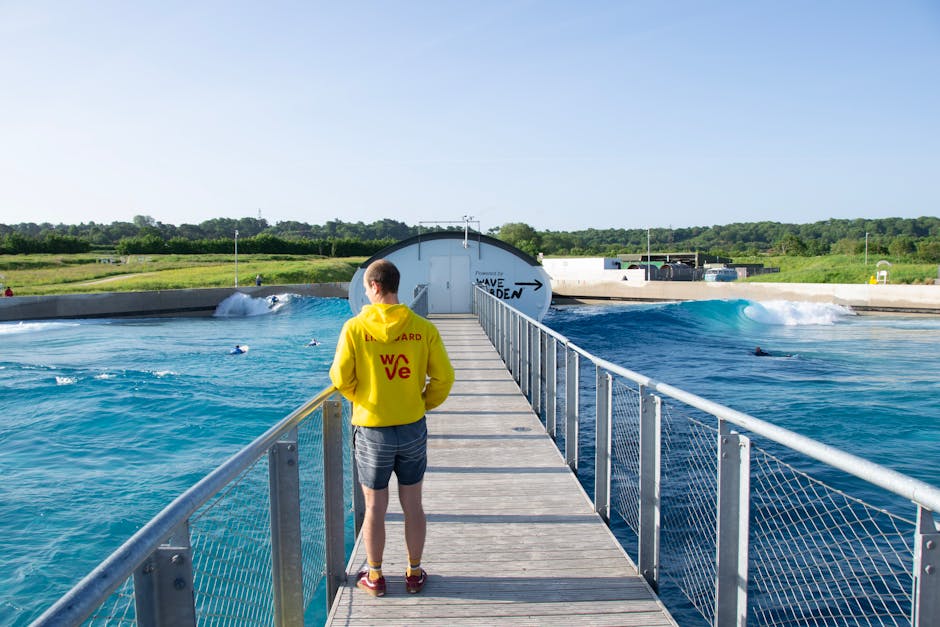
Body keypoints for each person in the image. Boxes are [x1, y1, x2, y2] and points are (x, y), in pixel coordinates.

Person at [330, 259, 454, 597]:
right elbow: (445, 377)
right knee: (413, 504)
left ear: (373, 287)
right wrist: (422, 402)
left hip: (372, 429)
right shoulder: (422, 328)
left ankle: (375, 576)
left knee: (374, 507)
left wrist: (366, 398)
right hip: (412, 425)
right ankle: (414, 573)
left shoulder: (355, 328)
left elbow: (340, 378)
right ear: (395, 286)